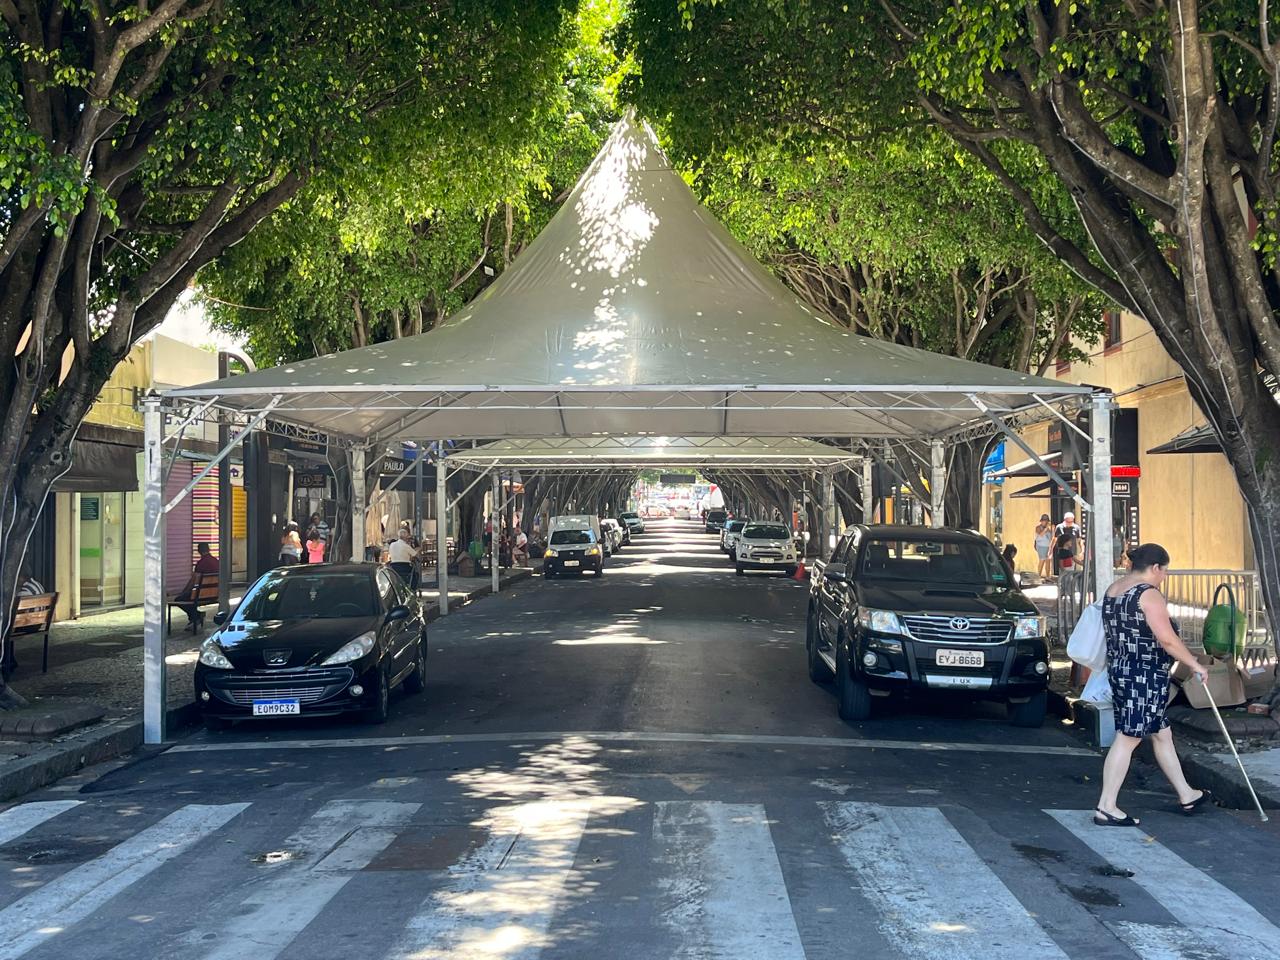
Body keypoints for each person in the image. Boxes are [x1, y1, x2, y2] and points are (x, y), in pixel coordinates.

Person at [1094, 543, 1211, 827]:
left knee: (1161, 732)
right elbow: (1167, 639)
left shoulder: (1115, 589)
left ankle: (1187, 794)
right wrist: (1194, 664)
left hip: (1121, 669)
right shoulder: (1148, 594)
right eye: (1165, 571)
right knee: (1129, 737)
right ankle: (1106, 806)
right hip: (1144, 675)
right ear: (1156, 567)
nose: (1165, 576)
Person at [174, 543, 218, 632]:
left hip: (200, 595)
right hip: (214, 594)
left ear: (199, 551)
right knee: (189, 597)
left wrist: (184, 591)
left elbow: (194, 580)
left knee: (179, 599)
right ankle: (196, 617)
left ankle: (195, 617)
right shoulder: (216, 561)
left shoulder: (201, 563)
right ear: (209, 549)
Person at [1034, 514, 1053, 580]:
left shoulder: (1048, 529)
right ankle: (1038, 576)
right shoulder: (1038, 527)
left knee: (1048, 561)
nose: (1046, 522)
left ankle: (1048, 576)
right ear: (1041, 521)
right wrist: (1046, 528)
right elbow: (1041, 534)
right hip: (1041, 546)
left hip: (1048, 546)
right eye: (1044, 521)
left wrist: (1052, 529)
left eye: (1047, 521)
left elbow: (1051, 537)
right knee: (1042, 560)